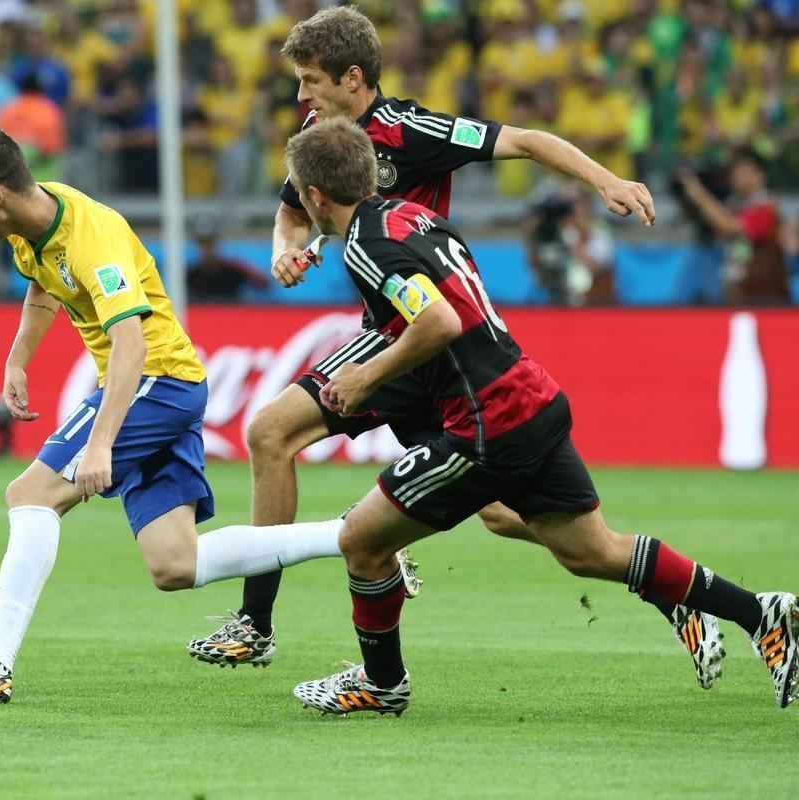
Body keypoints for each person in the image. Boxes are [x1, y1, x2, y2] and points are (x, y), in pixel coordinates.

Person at [186, 6, 718, 691]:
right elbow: (291, 211)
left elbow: (527, 139)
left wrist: (606, 181)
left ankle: (304, 604)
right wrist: (283, 250)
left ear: (353, 78)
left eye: (311, 79)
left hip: (427, 340)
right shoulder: (319, 136)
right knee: (278, 437)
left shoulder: (412, 130)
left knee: (482, 510)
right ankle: (262, 619)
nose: (300, 94)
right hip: (394, 336)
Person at [281, 119, 797, 714]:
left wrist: (365, 377)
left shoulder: (366, 247)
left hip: (485, 424)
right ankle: (760, 613)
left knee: (362, 542)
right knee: (592, 552)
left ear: (316, 197)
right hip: (530, 396)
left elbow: (439, 321)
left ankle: (382, 684)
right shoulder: (411, 216)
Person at [0, 124, 359, 704]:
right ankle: (353, 534)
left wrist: (100, 443)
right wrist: (18, 359)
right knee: (175, 564)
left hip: (155, 382)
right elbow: (43, 286)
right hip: (169, 385)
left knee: (31, 494)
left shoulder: (92, 237)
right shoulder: (30, 225)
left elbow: (131, 344)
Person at [676, 149, 792, 306]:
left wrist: (699, 194)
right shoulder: (736, 205)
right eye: (734, 172)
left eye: (743, 171)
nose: (736, 176)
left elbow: (730, 227)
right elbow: (718, 228)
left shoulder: (766, 208)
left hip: (765, 298)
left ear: (759, 175)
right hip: (740, 293)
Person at [186, 220, 269, 302]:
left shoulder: (234, 269)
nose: (207, 247)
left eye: (210, 242)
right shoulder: (191, 273)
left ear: (217, 243)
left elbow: (263, 283)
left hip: (232, 309)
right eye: (203, 243)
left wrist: (242, 267)